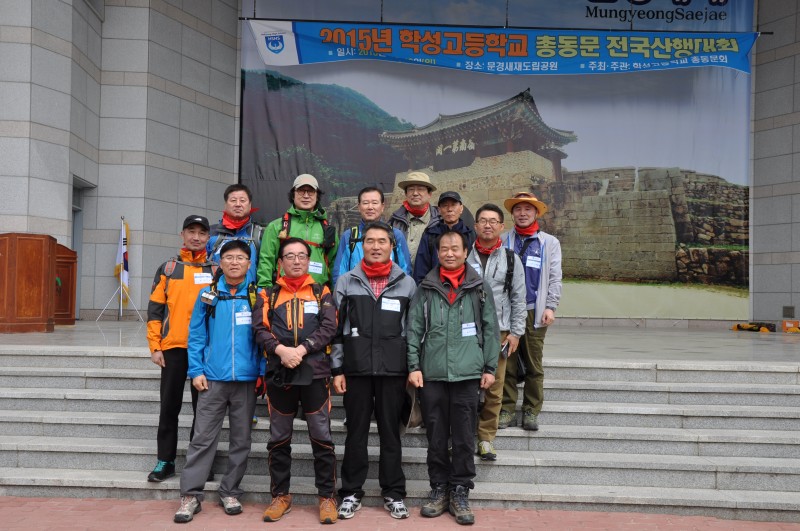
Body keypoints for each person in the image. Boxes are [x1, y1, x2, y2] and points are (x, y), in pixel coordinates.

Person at [406, 231, 499, 526]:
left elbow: (491, 329)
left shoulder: (479, 288)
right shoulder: (425, 288)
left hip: (468, 374)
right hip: (432, 373)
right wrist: (413, 365)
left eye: (455, 248)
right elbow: (413, 329)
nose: (449, 253)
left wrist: (490, 368)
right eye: (444, 248)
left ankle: (460, 490)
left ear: (465, 251)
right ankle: (438, 489)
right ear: (437, 253)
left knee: (463, 436)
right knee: (435, 436)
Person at [331, 222, 417, 521]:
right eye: (370, 241)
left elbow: (412, 331)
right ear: (362, 245)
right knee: (355, 433)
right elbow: (337, 330)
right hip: (356, 370)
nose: (376, 246)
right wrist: (337, 369)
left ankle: (393, 493)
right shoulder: (346, 281)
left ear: (392, 246)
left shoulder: (407, 283)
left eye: (382, 241)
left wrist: (412, 367)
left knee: (391, 434)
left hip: (393, 371)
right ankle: (351, 492)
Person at [173, 240, 262, 523]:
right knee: (202, 438)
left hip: (246, 380)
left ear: (249, 263)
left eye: (240, 258)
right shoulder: (207, 295)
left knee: (241, 440)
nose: (235, 262)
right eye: (229, 258)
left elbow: (264, 338)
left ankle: (231, 491)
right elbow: (196, 336)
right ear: (220, 263)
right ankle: (190, 495)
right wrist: (196, 371)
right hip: (212, 379)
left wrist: (261, 373)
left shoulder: (257, 295)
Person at [252, 237, 339, 525]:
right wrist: (281, 350)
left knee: (322, 437)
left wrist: (301, 350)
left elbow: (329, 327)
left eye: (302, 255)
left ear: (309, 260)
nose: (297, 260)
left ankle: (327, 497)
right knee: (279, 438)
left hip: (315, 373)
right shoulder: (268, 294)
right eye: (290, 256)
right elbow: (259, 329)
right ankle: (281, 496)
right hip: (280, 373)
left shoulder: (321, 291)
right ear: (280, 262)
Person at [146, 215, 215, 482]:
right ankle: (165, 461)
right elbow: (155, 310)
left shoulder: (215, 271)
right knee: (169, 406)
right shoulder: (168, 268)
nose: (196, 237)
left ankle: (200, 463)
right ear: (182, 235)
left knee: (203, 410)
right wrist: (155, 346)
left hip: (205, 350)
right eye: (191, 231)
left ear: (208, 237)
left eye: (202, 233)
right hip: (173, 347)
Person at [465, 204, 526, 461]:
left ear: (502, 227)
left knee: (494, 386)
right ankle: (462, 437)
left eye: (493, 221)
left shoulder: (511, 259)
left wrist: (516, 333)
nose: (487, 225)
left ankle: (486, 438)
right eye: (483, 220)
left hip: (499, 332)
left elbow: (519, 298)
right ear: (475, 226)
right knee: (464, 385)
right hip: (466, 331)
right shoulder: (463, 255)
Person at [498, 192, 562, 432]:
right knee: (507, 363)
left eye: (528, 209)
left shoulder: (549, 242)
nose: (522, 213)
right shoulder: (503, 240)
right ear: (512, 213)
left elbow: (555, 277)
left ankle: (531, 410)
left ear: (536, 213)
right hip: (507, 311)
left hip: (535, 310)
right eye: (518, 209)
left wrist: (550, 306)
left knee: (534, 364)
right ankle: (506, 409)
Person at [258, 174, 338, 288]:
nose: (306, 195)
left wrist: (335, 293)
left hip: (318, 293)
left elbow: (334, 264)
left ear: (317, 196)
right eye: (301, 191)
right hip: (284, 293)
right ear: (293, 195)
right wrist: (264, 292)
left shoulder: (327, 229)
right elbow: (266, 261)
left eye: (311, 191)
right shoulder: (276, 227)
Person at [332, 186, 412, 287]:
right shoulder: (349, 236)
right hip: (355, 293)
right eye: (365, 203)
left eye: (374, 203)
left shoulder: (396, 235)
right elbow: (339, 273)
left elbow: (406, 271)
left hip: (390, 293)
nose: (370, 207)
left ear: (382, 206)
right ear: (359, 207)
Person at [412, 191, 476, 284]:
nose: (449, 209)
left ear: (461, 208)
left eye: (453, 205)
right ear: (439, 210)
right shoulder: (430, 235)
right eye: (445, 205)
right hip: (435, 287)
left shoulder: (470, 235)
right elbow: (420, 269)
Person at [207, 184, 262, 284]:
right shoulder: (210, 232)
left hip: (251, 292)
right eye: (233, 200)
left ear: (250, 205)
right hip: (216, 292)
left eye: (242, 200)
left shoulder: (260, 234)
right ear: (225, 205)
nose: (238, 204)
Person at [387, 171, 440, 266]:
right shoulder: (394, 221)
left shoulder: (439, 221)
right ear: (406, 193)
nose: (415, 193)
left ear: (429, 194)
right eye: (411, 189)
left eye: (420, 189)